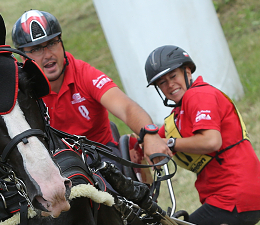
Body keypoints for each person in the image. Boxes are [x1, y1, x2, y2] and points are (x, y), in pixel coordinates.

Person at [141, 45, 260, 225]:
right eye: (162, 82)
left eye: (173, 76)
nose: (170, 85)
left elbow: (211, 141)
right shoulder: (179, 113)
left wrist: (170, 143)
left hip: (233, 198)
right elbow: (149, 140)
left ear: (187, 72)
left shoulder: (199, 95)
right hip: (231, 198)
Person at [11, 10, 160, 160]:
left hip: (100, 157)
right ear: (22, 56)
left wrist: (149, 135)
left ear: (61, 42)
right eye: (36, 49)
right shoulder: (18, 91)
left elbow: (126, 108)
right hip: (56, 166)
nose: (47, 54)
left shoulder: (84, 74)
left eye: (51, 43)